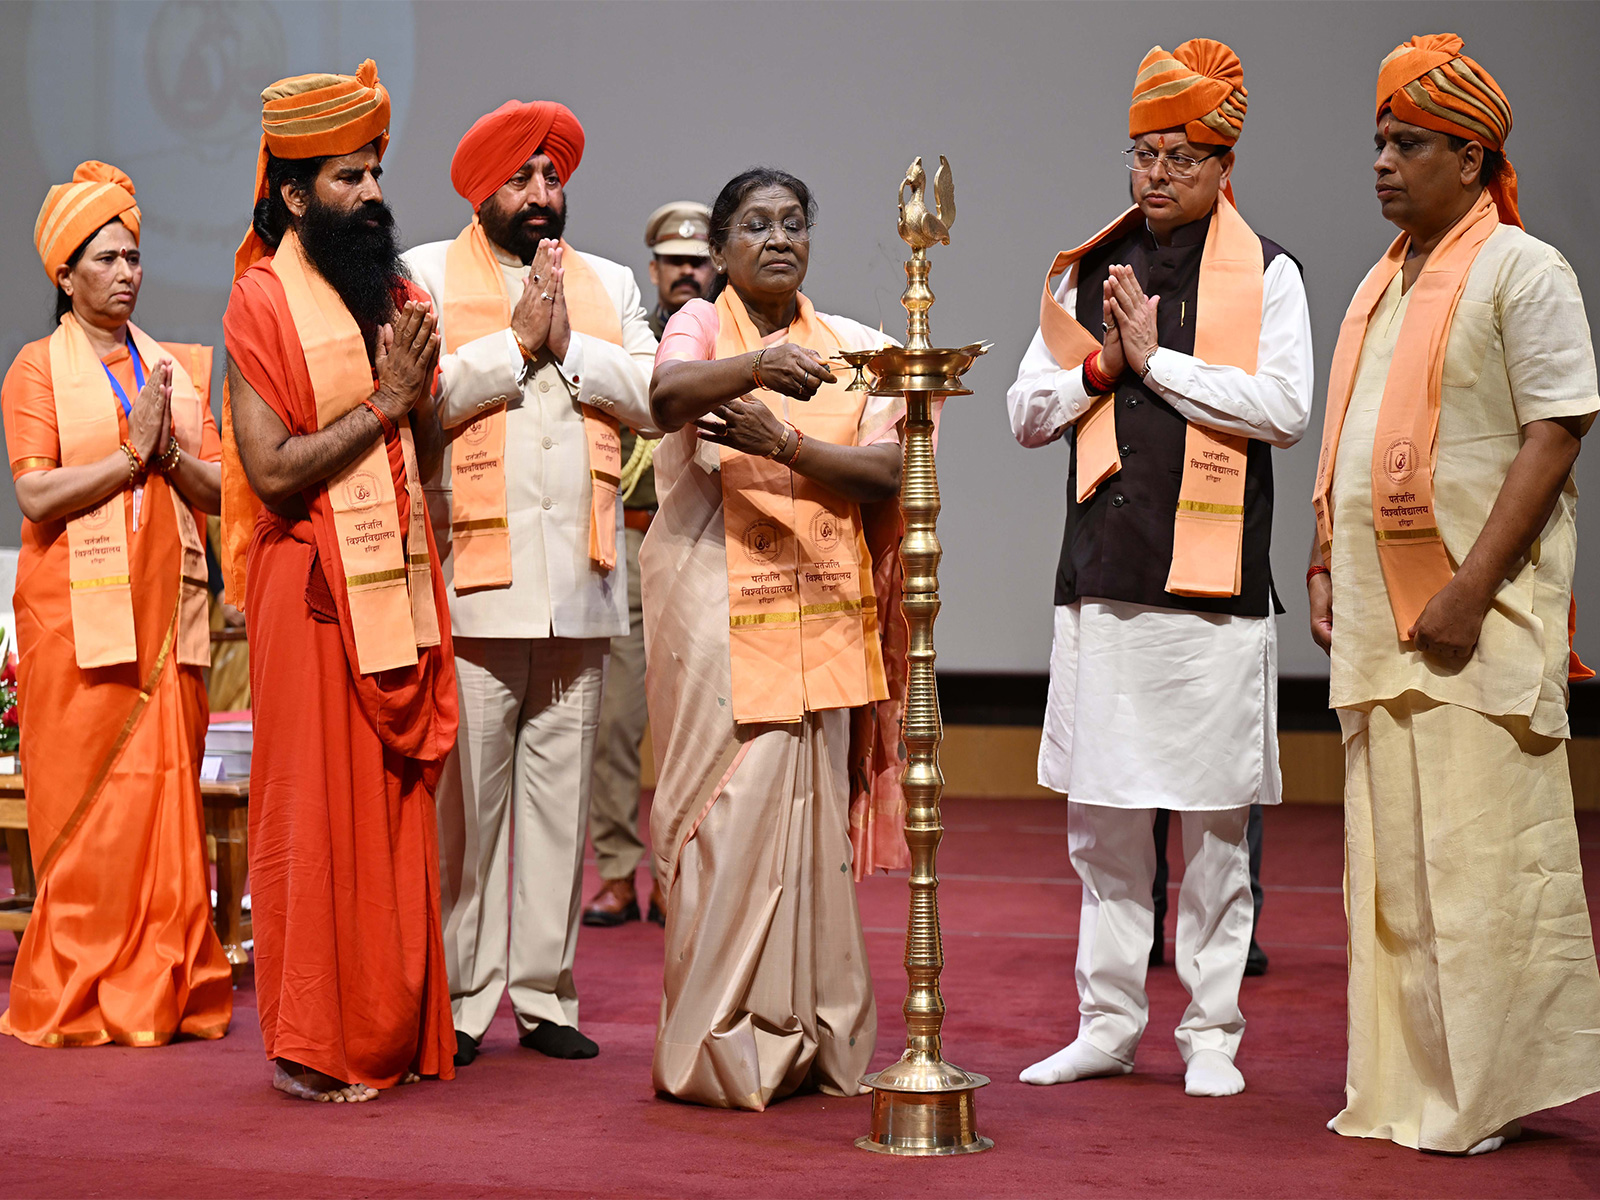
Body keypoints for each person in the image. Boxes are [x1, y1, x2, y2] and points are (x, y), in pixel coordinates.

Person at [1309, 34, 1600, 1155]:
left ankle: (1477, 1095)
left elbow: (1555, 429)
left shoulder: (1523, 269)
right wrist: (1326, 561)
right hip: (1385, 628)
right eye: (1378, 141)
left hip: (1470, 625)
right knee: (1392, 877)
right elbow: (1359, 431)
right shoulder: (1384, 279)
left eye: (1409, 144)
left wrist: (1472, 589)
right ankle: (1404, 1090)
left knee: (1480, 870)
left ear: (1472, 159)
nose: (1382, 162)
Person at [1006, 39, 1313, 1098]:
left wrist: (1159, 365)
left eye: (1179, 157)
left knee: (1217, 822)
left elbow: (1281, 409)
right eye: (1142, 155)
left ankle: (1212, 1037)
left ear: (1224, 163)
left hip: (1215, 599)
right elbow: (1024, 414)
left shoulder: (1267, 270)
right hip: (1102, 581)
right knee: (1102, 820)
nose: (1154, 177)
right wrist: (1102, 362)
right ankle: (1105, 1022)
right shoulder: (1085, 270)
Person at [644, 167, 908, 1110]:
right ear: (719, 252)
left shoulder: (853, 349)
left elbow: (885, 473)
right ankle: (717, 1043)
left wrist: (789, 445)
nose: (777, 238)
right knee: (731, 816)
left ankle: (809, 1036)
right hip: (715, 615)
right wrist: (754, 368)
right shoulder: (700, 326)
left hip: (820, 617)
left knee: (805, 828)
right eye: (753, 225)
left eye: (793, 222)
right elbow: (668, 396)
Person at [221, 60, 459, 1103]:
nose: (372, 195)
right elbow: (272, 471)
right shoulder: (259, 300)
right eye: (349, 178)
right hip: (304, 590)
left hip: (397, 583)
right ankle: (313, 1042)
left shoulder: (398, 289)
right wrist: (387, 403)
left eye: (374, 173)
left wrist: (429, 431)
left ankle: (391, 1026)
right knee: (314, 811)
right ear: (292, 194)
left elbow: (431, 429)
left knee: (392, 804)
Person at [403, 100, 656, 1066]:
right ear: (484, 191)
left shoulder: (608, 283)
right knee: (469, 808)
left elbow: (649, 398)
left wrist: (565, 347)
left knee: (559, 802)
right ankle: (465, 1002)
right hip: (474, 585)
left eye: (554, 178)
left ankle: (546, 996)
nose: (544, 196)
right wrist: (512, 346)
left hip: (583, 584)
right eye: (524, 180)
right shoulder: (425, 274)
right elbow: (417, 407)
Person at [0, 162, 231, 1048]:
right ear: (65, 274)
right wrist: (132, 457)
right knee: (86, 808)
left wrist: (166, 456)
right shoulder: (34, 369)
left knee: (163, 794)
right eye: (107, 259)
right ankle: (78, 987)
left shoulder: (172, 367)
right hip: (73, 621)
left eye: (135, 257)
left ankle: (161, 986)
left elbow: (214, 491)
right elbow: (35, 495)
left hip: (165, 618)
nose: (128, 274)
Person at [582, 200, 714, 930]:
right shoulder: (631, 345)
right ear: (654, 270)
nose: (688, 272)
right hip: (632, 542)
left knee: (695, 722)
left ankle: (678, 872)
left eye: (699, 260)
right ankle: (614, 870)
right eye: (674, 261)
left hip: (707, 539)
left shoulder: (726, 337)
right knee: (617, 722)